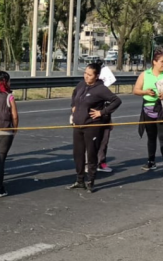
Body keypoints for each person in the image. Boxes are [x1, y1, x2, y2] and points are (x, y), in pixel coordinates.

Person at [68, 63, 121, 193]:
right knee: (78, 154)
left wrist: (102, 112)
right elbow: (75, 96)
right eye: (85, 73)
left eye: (90, 75)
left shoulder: (101, 89)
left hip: (92, 126)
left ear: (97, 76)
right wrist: (73, 107)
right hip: (78, 125)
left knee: (91, 154)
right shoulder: (81, 85)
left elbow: (116, 101)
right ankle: (79, 180)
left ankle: (90, 181)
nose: (86, 76)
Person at [133, 49, 163, 171]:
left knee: (162, 137)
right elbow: (135, 90)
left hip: (161, 109)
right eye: (162, 61)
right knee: (151, 137)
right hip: (148, 110)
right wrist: (145, 92)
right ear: (154, 62)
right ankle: (151, 161)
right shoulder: (145, 74)